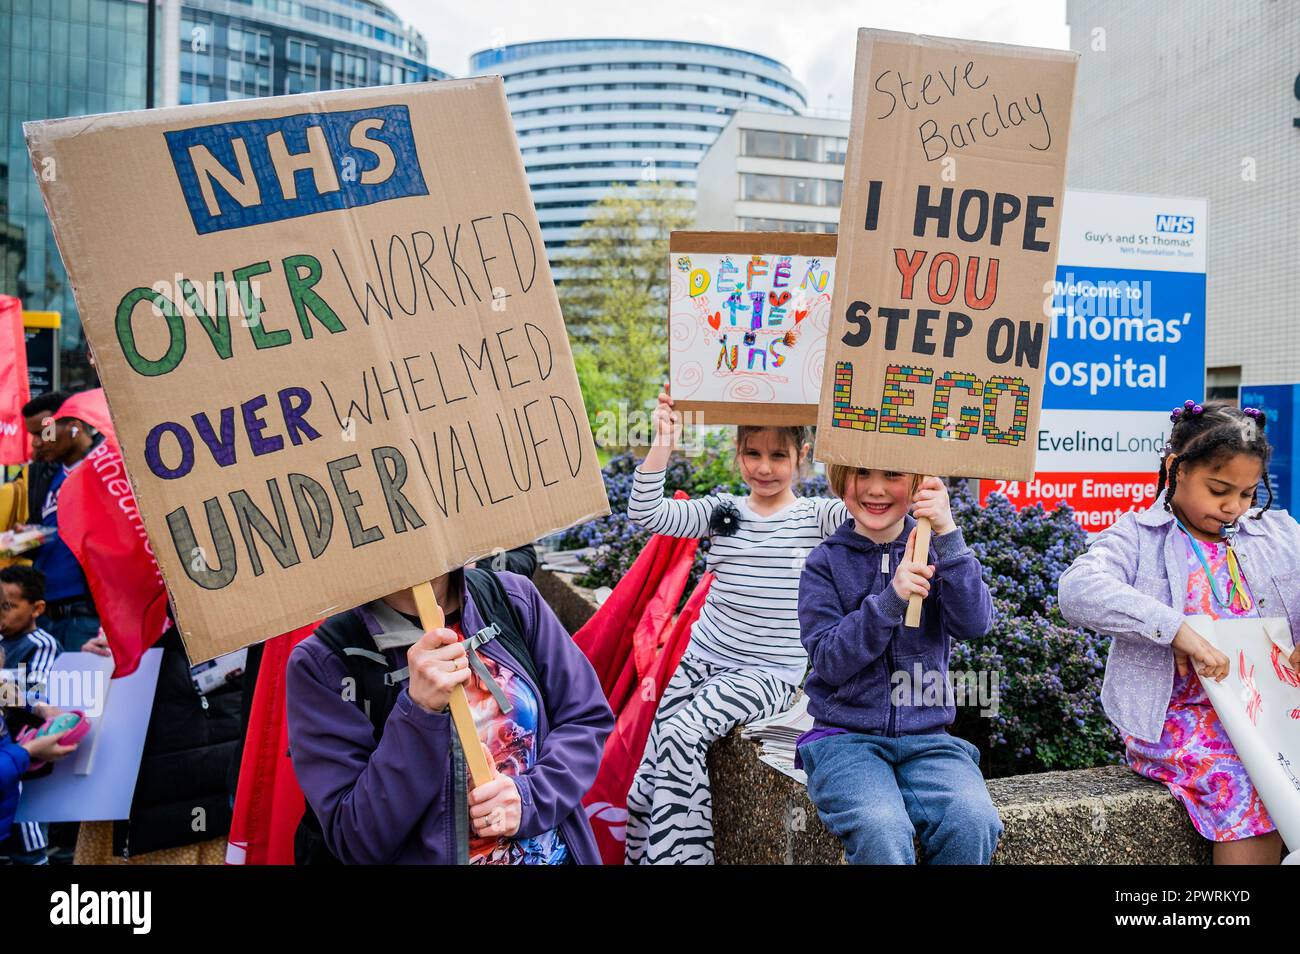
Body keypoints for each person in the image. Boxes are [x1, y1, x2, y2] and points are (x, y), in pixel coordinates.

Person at [1059, 400, 1300, 865]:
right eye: (1219, 490)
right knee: (1249, 781)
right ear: (1176, 469)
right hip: (1179, 717)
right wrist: (1173, 629)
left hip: (1271, 709)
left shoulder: (1277, 533)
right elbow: (1077, 590)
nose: (1233, 507)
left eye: (1248, 494)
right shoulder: (1138, 536)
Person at [623, 385, 850, 864]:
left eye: (777, 454)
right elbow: (645, 513)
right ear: (737, 451)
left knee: (683, 735)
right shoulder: (723, 512)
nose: (763, 467)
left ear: (803, 454)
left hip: (769, 673)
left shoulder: (817, 516)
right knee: (648, 774)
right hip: (702, 661)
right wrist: (663, 438)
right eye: (752, 452)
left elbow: (877, 510)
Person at [286, 565, 613, 864]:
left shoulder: (512, 599)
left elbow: (584, 718)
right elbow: (356, 838)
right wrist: (419, 712)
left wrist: (529, 798)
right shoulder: (324, 662)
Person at [794, 467, 1001, 864]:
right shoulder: (824, 563)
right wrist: (890, 601)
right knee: (881, 828)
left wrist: (949, 536)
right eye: (861, 473)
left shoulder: (937, 551)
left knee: (972, 821)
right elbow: (828, 660)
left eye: (891, 474)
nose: (875, 488)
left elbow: (974, 623)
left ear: (916, 483)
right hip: (845, 740)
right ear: (840, 479)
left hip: (929, 740)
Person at [24, 395, 102, 652]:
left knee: (81, 691)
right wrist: (22, 538)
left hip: (86, 612)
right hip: (44, 612)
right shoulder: (44, 476)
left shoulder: (105, 465)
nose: (37, 442)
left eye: (43, 432)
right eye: (32, 434)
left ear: (74, 426)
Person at [0, 564, 63, 865]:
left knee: (27, 838)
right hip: (7, 754)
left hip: (26, 754)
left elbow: (36, 694)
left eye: (9, 605)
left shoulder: (41, 645)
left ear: (37, 608)